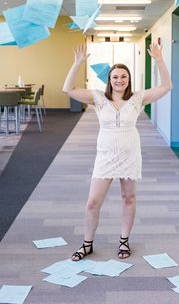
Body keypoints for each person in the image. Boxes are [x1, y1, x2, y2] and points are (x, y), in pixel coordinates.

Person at [63, 40, 173, 261]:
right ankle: (87, 244)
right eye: (115, 77)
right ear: (109, 80)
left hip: (129, 154)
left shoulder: (137, 98)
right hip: (105, 155)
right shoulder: (98, 97)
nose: (119, 80)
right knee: (93, 202)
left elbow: (166, 87)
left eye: (123, 76)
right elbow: (68, 89)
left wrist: (160, 60)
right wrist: (77, 64)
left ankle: (124, 241)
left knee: (128, 197)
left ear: (128, 79)